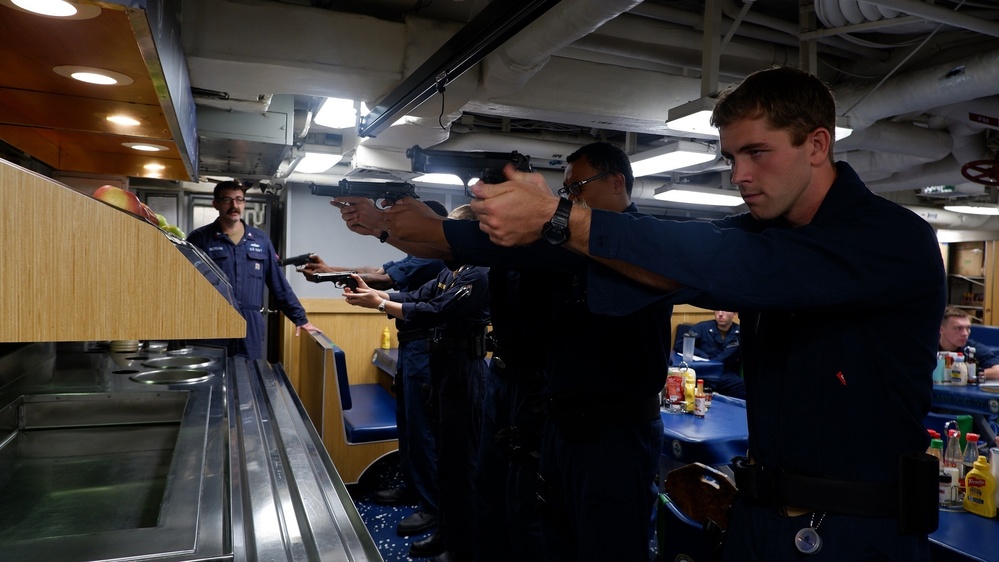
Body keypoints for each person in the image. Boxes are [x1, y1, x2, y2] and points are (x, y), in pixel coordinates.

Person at [459, 66, 946, 560]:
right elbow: (674, 257)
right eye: (732, 157)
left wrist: (560, 218)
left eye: (757, 152)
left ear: (817, 145)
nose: (739, 175)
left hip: (855, 535)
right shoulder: (766, 232)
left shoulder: (891, 239)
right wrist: (445, 237)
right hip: (762, 518)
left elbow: (729, 261)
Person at [346, 142, 674, 562]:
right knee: (531, 522)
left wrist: (394, 226)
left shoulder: (636, 241)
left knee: (604, 541)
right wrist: (388, 228)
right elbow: (471, 247)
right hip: (555, 410)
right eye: (566, 190)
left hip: (614, 423)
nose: (570, 199)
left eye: (578, 188)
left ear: (616, 181)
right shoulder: (562, 244)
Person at [295, 201, 449, 544]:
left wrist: (328, 275)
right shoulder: (416, 251)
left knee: (423, 426)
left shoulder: (434, 252)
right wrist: (330, 269)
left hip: (427, 347)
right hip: (410, 344)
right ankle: (413, 485)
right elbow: (374, 268)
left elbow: (381, 279)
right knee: (409, 421)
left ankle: (432, 503)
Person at [343, 204, 490, 562]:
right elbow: (418, 297)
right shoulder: (451, 271)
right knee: (446, 458)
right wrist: (379, 296)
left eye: (452, 231)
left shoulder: (480, 274)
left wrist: (380, 304)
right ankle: (448, 530)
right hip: (443, 371)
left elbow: (436, 310)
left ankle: (464, 546)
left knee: (461, 463)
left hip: (465, 373)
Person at [187, 180, 318, 360]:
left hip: (251, 327)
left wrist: (300, 319)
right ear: (215, 204)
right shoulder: (200, 238)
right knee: (212, 377)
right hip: (212, 322)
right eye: (227, 200)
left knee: (249, 377)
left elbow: (278, 282)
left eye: (239, 200)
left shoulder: (260, 239)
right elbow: (185, 285)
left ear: (244, 203)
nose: (234, 205)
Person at [673, 310, 745, 399]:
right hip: (703, 372)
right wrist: (703, 356)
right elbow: (680, 344)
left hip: (725, 374)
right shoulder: (702, 327)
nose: (720, 314)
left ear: (734, 314)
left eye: (725, 311)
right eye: (717, 310)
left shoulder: (739, 332)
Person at [939, 306, 999, 381]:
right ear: (941, 329)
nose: (965, 333)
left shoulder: (972, 348)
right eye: (958, 328)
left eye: (968, 328)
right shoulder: (927, 347)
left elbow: (997, 371)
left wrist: (968, 374)